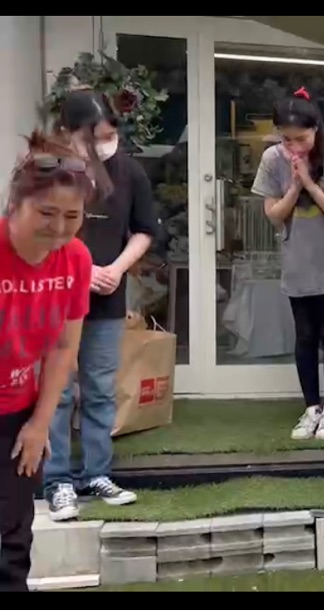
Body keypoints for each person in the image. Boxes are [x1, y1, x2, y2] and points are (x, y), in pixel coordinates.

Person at [44, 90, 161, 521]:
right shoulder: (48, 172)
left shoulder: (130, 171)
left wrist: (116, 268)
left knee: (99, 389)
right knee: (57, 391)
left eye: (110, 136)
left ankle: (97, 473)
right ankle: (56, 481)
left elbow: (144, 230)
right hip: (57, 298)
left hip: (107, 298)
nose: (105, 146)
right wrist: (80, 269)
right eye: (95, 138)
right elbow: (32, 233)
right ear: (68, 133)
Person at [0, 131, 97, 591]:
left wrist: (40, 424)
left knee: (13, 534)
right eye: (46, 213)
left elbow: (62, 348)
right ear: (14, 205)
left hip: (16, 411)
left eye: (72, 216)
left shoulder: (75, 260)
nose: (59, 228)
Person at [252, 86, 324, 441]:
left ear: (316, 129)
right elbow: (274, 215)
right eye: (287, 139)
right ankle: (311, 407)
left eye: (301, 138)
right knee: (305, 336)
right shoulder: (272, 160)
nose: (294, 147)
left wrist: (311, 186)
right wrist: (294, 188)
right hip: (297, 261)